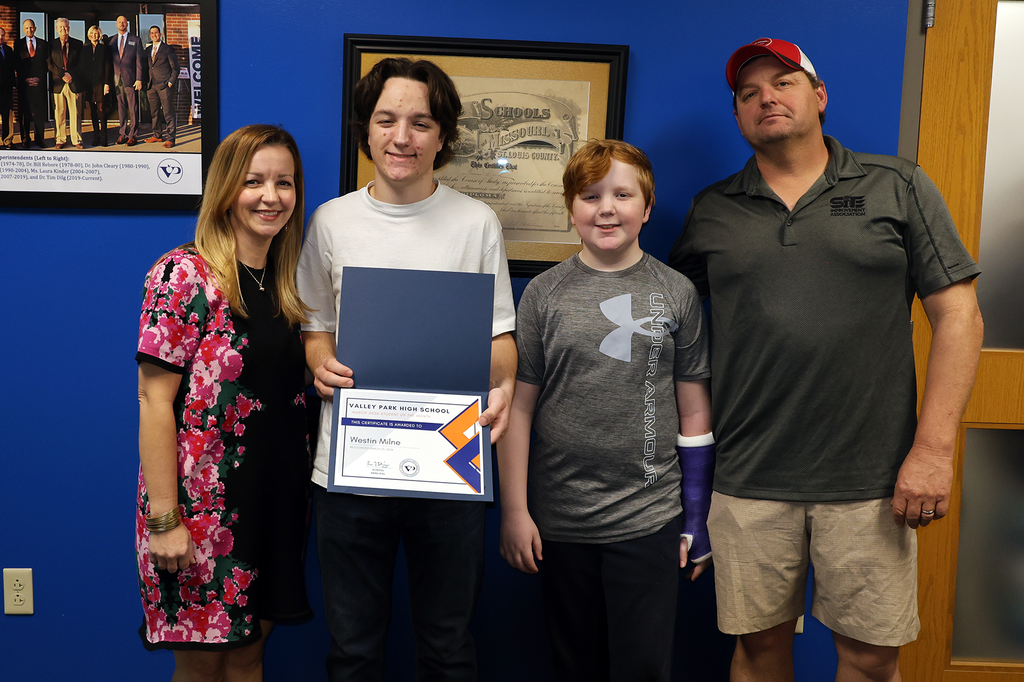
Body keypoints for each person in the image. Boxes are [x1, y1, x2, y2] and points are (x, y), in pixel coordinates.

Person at [668, 37, 984, 682]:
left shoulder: (896, 185)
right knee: (759, 652)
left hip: (872, 479)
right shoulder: (713, 210)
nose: (766, 99)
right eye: (748, 93)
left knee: (869, 660)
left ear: (818, 95)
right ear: (738, 117)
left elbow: (960, 316)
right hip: (749, 475)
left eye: (782, 83)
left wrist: (933, 452)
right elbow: (670, 321)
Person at [296, 57, 516, 681]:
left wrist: (501, 386)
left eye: (420, 122)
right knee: (354, 652)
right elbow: (315, 327)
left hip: (451, 463)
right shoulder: (331, 221)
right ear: (365, 130)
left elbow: (500, 332)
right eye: (386, 119)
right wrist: (320, 363)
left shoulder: (476, 222)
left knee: (448, 650)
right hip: (348, 466)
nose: (402, 137)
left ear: (442, 135)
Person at [499, 139, 714, 682]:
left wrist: (696, 517)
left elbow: (693, 413)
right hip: (560, 520)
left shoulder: (677, 293)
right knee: (576, 665)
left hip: (650, 518)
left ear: (647, 206)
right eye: (591, 196)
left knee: (644, 668)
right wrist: (515, 512)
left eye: (623, 194)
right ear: (571, 208)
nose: (607, 208)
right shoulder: (544, 294)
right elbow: (519, 410)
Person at [135, 124, 313, 680]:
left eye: (284, 183)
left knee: (249, 656)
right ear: (225, 190)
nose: (271, 196)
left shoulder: (286, 287)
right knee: (203, 667)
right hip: (202, 515)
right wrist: (166, 520)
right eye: (254, 181)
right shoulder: (183, 274)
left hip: (276, 505)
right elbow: (152, 400)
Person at [47, 18, 84, 150]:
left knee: (76, 113)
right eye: (61, 27)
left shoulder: (78, 44)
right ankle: (60, 139)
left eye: (66, 27)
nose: (63, 29)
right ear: (57, 29)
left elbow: (81, 63)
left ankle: (76, 139)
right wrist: (62, 74)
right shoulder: (51, 44)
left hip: (73, 83)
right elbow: (49, 63)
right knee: (60, 113)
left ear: (69, 28)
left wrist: (71, 74)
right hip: (58, 84)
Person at [110, 15, 144, 146]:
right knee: (121, 108)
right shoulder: (112, 41)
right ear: (116, 24)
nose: (121, 24)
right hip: (117, 80)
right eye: (119, 22)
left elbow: (139, 61)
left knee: (132, 108)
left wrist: (139, 79)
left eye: (123, 22)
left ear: (127, 24)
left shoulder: (135, 40)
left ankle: (133, 135)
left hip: (131, 80)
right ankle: (123, 133)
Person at [15, 19, 49, 149]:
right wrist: (26, 79)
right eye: (27, 28)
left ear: (35, 28)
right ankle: (25, 139)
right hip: (25, 85)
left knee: (39, 113)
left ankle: (40, 139)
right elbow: (17, 64)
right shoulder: (18, 44)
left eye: (31, 27)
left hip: (38, 85)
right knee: (24, 114)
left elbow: (46, 64)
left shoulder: (43, 44)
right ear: (24, 30)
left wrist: (39, 78)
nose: (29, 30)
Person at [144, 26, 178, 148]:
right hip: (151, 86)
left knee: (168, 112)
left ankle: (171, 138)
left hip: (164, 85)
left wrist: (170, 82)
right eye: (151, 33)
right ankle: (157, 135)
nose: (154, 35)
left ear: (160, 34)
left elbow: (175, 68)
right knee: (154, 112)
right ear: (150, 35)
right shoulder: (148, 50)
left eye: (156, 33)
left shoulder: (167, 49)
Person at [80, 25, 113, 147]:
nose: (94, 35)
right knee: (92, 111)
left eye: (96, 33)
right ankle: (96, 136)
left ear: (99, 35)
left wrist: (106, 83)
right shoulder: (85, 49)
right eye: (92, 33)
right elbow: (83, 68)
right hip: (89, 84)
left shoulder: (104, 48)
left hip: (101, 83)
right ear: (89, 35)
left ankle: (104, 136)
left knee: (101, 110)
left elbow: (108, 67)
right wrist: (83, 86)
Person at [0, 27, 15, 149]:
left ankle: (7, 140)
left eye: (2, 35)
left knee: (8, 116)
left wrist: (13, 84)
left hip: (6, 89)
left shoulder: (8, 50)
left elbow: (11, 69)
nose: (1, 37)